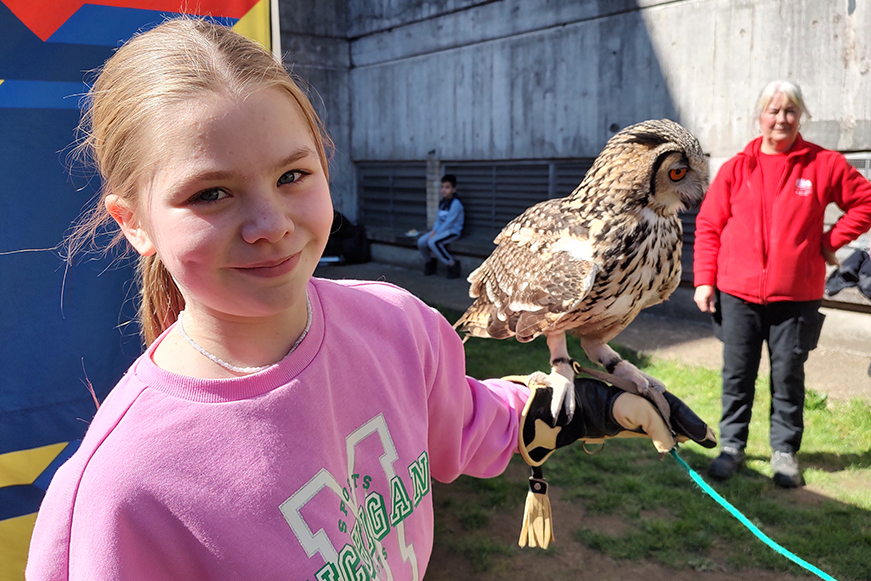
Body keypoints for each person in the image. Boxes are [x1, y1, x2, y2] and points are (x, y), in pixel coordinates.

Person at [25, 19, 705, 579]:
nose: (271, 224)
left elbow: (462, 419)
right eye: (211, 192)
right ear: (133, 221)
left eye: (293, 174)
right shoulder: (124, 490)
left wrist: (589, 406)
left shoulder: (393, 321)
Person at [693, 80, 871, 488]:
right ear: (760, 116)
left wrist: (829, 241)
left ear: (800, 117)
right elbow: (708, 227)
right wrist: (704, 281)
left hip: (796, 297)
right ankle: (732, 447)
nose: (781, 119)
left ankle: (785, 453)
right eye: (773, 111)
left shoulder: (822, 164)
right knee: (737, 375)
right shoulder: (737, 168)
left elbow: (865, 201)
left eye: (790, 111)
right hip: (737, 294)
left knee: (788, 376)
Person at [417, 175, 464, 279]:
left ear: (453, 189)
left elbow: (449, 222)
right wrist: (434, 231)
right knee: (421, 242)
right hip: (441, 230)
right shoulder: (442, 202)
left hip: (452, 231)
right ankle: (430, 262)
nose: (444, 190)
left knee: (433, 242)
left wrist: (435, 235)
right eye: (442, 187)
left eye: (447, 187)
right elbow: (439, 220)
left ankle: (452, 264)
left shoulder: (456, 204)